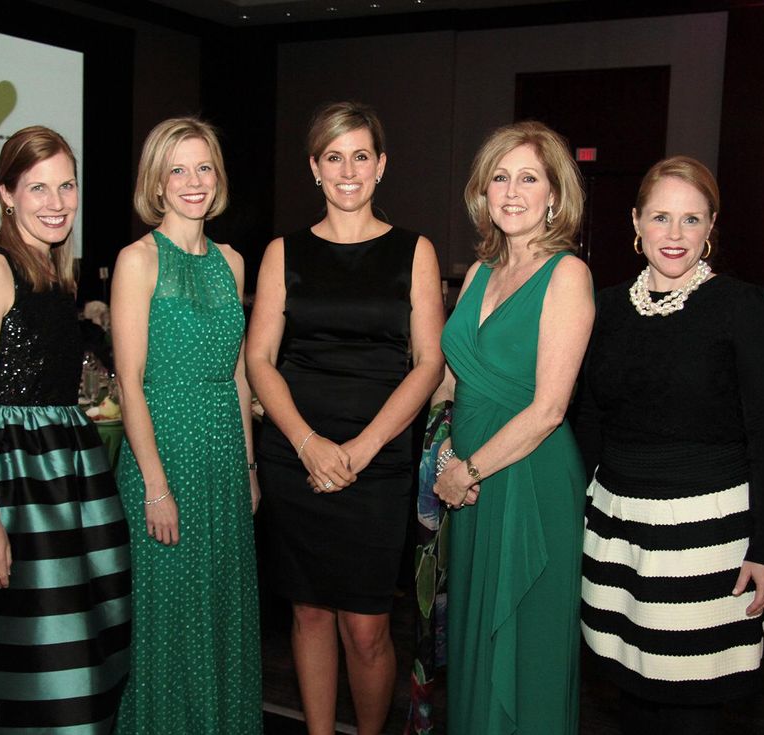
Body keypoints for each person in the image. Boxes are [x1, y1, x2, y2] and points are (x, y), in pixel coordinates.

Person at [246, 101, 444, 734]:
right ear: (315, 168)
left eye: (361, 156)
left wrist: (359, 449)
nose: (348, 170)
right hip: (295, 460)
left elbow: (427, 364)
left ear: (381, 166)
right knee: (307, 615)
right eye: (335, 157)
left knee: (366, 626)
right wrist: (307, 443)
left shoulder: (415, 252)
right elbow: (259, 360)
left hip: (378, 462)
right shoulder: (284, 252)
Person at [576, 156, 764, 734]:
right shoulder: (602, 308)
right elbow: (589, 417)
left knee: (690, 710)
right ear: (636, 222)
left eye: (691, 220)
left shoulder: (748, 310)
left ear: (711, 227)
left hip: (707, 540)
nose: (675, 235)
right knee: (632, 697)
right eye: (661, 217)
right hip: (617, 532)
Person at [0, 126, 131, 733]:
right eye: (38, 187)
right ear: (5, 195)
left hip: (60, 470)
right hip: (11, 482)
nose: (57, 201)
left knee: (78, 635)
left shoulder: (51, 271)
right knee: (34, 644)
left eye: (66, 185)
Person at [431, 121, 594, 734]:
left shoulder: (567, 275)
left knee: (529, 643)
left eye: (529, 177)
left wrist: (464, 469)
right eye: (500, 177)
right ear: (482, 192)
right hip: (469, 478)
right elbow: (451, 382)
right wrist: (441, 445)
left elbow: (550, 409)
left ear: (555, 194)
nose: (512, 191)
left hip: (528, 475)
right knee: (476, 631)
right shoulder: (476, 275)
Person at [110, 116, 261, 734]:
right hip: (162, 457)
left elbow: (240, 377)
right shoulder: (137, 260)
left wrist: (250, 469)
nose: (193, 181)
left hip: (223, 456)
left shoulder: (234, 261)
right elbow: (129, 382)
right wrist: (155, 485)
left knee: (221, 612)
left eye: (204, 167)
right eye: (178, 169)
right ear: (158, 181)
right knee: (167, 617)